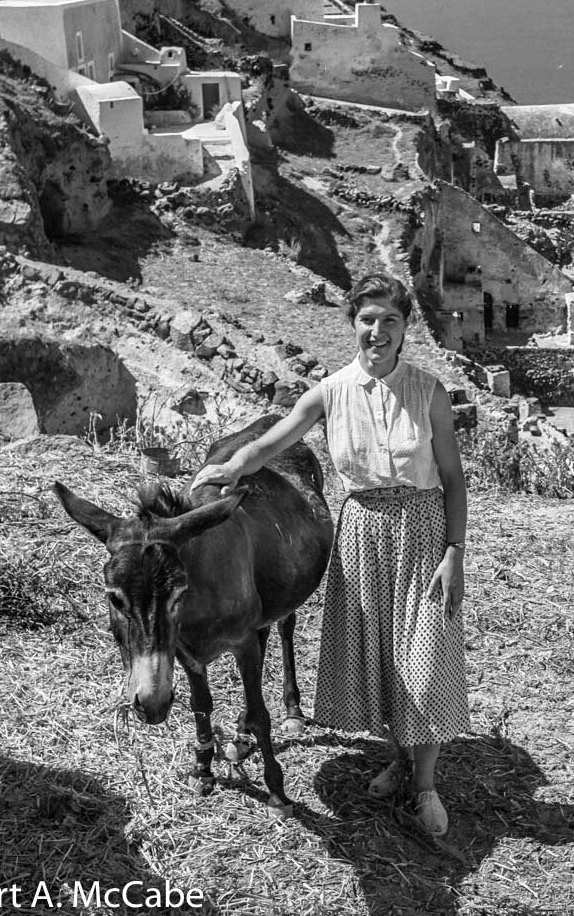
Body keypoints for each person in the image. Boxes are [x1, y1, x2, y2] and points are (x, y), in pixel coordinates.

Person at [190, 273, 469, 837]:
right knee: (381, 660)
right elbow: (277, 439)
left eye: (390, 320)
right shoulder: (331, 391)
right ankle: (400, 753)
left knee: (423, 662)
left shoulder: (429, 392)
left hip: (422, 532)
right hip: (363, 530)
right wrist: (232, 467)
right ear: (353, 325)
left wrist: (455, 552)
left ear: (405, 327)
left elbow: (454, 480)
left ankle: (426, 787)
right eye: (368, 319)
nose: (378, 331)